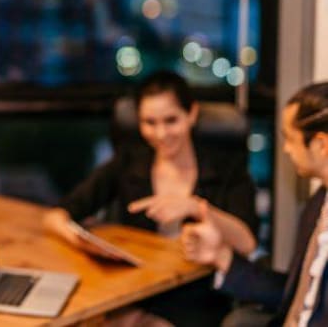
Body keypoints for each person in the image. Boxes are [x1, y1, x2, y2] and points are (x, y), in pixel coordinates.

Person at [43, 70, 258, 326]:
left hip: (197, 296)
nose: (161, 134)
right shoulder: (128, 162)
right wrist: (83, 241)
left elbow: (247, 242)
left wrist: (198, 208)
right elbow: (56, 215)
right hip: (135, 289)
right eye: (149, 123)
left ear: (192, 114)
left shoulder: (226, 169)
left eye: (171, 120)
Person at [182, 82, 328, 327]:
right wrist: (221, 256)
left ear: (321, 144)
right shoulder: (318, 205)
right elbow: (293, 295)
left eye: (289, 139)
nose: (286, 149)